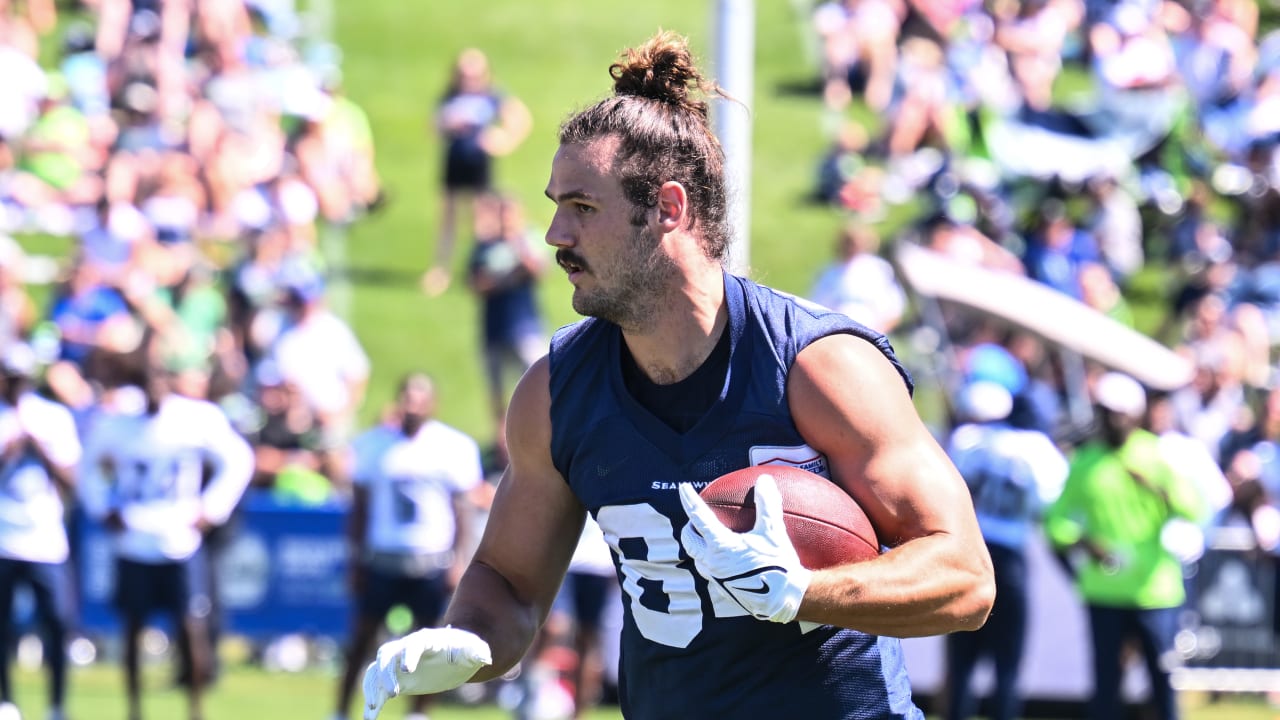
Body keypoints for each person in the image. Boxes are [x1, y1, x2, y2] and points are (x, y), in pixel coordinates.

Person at [362, 31, 994, 720]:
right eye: (554, 205)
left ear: (668, 208)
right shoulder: (555, 394)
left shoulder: (817, 366)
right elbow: (509, 584)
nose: (554, 236)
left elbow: (963, 577)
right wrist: (465, 638)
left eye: (582, 207)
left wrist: (804, 592)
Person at [78, 351, 254, 720]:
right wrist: (104, 508)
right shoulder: (118, 423)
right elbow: (86, 466)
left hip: (179, 539)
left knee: (192, 627)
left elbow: (238, 460)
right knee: (132, 628)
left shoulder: (195, 418)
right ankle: (134, 710)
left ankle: (195, 709)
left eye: (160, 381)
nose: (155, 390)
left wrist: (210, 510)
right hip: (135, 537)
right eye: (148, 383)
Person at [1043, 371, 1209, 720]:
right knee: (1106, 687)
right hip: (1104, 592)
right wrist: (1084, 543)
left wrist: (1157, 488)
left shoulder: (1157, 455)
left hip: (1155, 592)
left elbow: (1194, 508)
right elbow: (1056, 523)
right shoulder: (1086, 462)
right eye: (1104, 411)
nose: (1110, 420)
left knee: (1162, 683)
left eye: (1117, 412)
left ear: (1134, 414)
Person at [331, 372, 484, 720]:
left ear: (432, 405)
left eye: (420, 400)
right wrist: (355, 558)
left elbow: (462, 510)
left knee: (428, 645)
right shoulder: (373, 445)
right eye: (407, 399)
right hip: (383, 557)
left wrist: (460, 561)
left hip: (431, 559)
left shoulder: (452, 447)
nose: (412, 407)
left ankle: (418, 713)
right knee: (362, 638)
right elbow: (360, 508)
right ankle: (340, 710)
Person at [943, 380, 1067, 720]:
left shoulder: (969, 441)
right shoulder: (1039, 449)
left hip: (970, 552)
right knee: (1008, 665)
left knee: (961, 664)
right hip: (1011, 557)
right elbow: (1050, 501)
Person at [0, 344, 81, 720]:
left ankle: (57, 705)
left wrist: (41, 450)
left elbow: (71, 479)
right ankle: (6, 702)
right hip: (2, 538)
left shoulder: (52, 417)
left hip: (44, 540)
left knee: (58, 623)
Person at [423, 48, 532, 296]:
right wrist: (446, 124)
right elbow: (434, 126)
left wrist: (503, 140)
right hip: (453, 162)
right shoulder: (450, 97)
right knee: (448, 218)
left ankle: (478, 267)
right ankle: (441, 270)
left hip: (479, 165)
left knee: (482, 218)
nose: (468, 79)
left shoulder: (491, 97)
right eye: (463, 74)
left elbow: (520, 119)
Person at [465, 192, 548, 446]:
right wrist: (506, 280)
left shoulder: (530, 239)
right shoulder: (485, 247)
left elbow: (537, 270)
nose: (507, 220)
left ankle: (542, 433)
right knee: (497, 389)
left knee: (540, 382)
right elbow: (475, 284)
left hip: (525, 325)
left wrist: (518, 246)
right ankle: (501, 441)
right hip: (494, 327)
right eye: (503, 214)